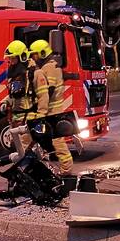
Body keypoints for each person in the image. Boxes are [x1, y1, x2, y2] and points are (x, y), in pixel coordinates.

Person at [29, 39, 73, 174]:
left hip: (52, 111)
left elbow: (49, 90)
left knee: (58, 142)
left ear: (42, 53)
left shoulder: (49, 68)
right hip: (53, 109)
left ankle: (67, 169)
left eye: (35, 54)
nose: (33, 57)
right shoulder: (51, 66)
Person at [2, 40, 40, 156]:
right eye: (10, 59)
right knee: (21, 150)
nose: (11, 62)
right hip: (17, 119)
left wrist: (40, 115)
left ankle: (26, 172)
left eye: (13, 58)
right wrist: (5, 102)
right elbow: (14, 95)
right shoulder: (16, 74)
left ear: (22, 57)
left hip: (28, 118)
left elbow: (42, 96)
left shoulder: (34, 73)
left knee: (25, 151)